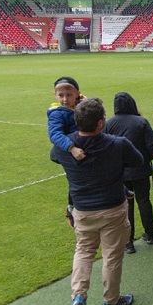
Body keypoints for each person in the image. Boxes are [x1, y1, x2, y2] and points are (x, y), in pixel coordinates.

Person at [50, 98, 141, 305]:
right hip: (112, 209)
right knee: (112, 257)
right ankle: (111, 302)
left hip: (83, 211)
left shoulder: (66, 147)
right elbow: (138, 161)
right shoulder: (117, 144)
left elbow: (54, 155)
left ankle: (78, 297)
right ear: (101, 122)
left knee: (83, 251)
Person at [105, 92, 153, 253]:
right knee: (144, 201)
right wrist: (144, 159)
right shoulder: (141, 122)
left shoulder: (109, 124)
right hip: (140, 169)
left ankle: (129, 242)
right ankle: (149, 235)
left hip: (120, 172)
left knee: (126, 206)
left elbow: (106, 148)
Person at [48, 76, 86, 228]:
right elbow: (55, 134)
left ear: (77, 93)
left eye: (69, 95)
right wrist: (71, 148)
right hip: (68, 152)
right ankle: (72, 208)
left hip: (80, 149)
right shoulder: (57, 113)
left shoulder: (79, 106)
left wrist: (86, 102)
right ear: (55, 95)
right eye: (61, 95)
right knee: (76, 179)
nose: (65, 99)